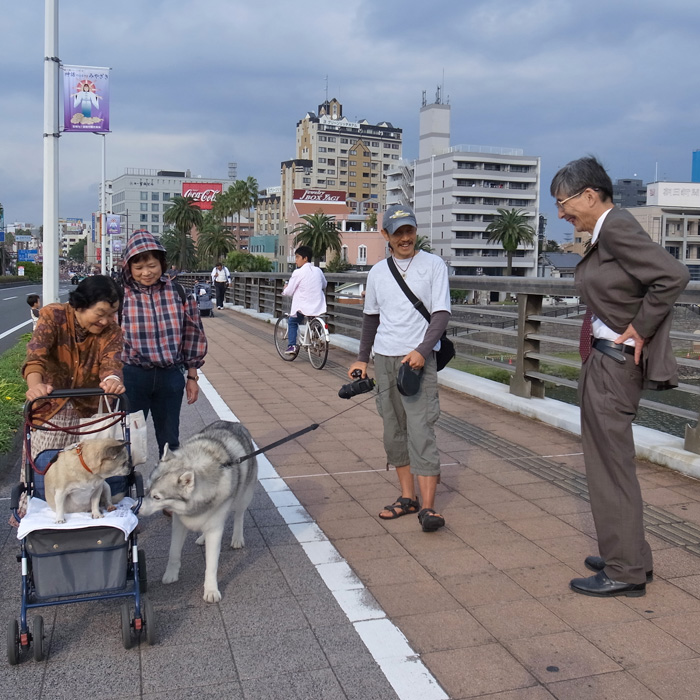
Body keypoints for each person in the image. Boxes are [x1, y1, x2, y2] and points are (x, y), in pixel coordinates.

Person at [551, 156, 690, 598]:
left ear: (589, 195)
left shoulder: (615, 226)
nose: (560, 214)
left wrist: (641, 328)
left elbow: (673, 275)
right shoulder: (603, 232)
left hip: (614, 364)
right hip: (606, 361)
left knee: (609, 470)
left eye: (563, 203)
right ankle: (629, 555)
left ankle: (624, 570)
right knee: (613, 466)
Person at [348, 204, 451, 532]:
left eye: (409, 230)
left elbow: (441, 315)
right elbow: (370, 319)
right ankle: (408, 498)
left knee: (421, 431)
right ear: (386, 236)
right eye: (398, 232)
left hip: (417, 362)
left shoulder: (433, 265)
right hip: (385, 359)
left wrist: (423, 350)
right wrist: (362, 359)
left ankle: (429, 508)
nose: (405, 238)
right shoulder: (378, 272)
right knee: (394, 433)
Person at [11, 276, 125, 525]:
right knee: (43, 471)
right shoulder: (54, 315)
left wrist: (112, 380)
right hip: (51, 409)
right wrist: (35, 386)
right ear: (81, 304)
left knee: (93, 470)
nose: (106, 321)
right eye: (101, 313)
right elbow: (36, 354)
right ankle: (31, 521)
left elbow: (111, 363)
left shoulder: (112, 332)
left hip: (89, 412)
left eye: (112, 314)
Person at [121, 230, 207, 457]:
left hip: (170, 376)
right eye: (138, 268)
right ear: (129, 267)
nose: (146, 273)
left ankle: (170, 488)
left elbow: (192, 335)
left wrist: (192, 376)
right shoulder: (120, 295)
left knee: (170, 440)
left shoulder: (179, 292)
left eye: (152, 265)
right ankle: (126, 490)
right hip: (132, 376)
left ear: (162, 263)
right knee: (127, 439)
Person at [281, 245, 327, 354]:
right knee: (314, 317)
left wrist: (284, 290)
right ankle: (317, 337)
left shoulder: (298, 272)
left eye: (297, 257)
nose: (295, 260)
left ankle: (292, 346)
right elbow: (324, 284)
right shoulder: (318, 271)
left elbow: (290, 290)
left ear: (305, 258)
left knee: (292, 322)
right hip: (318, 304)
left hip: (303, 306)